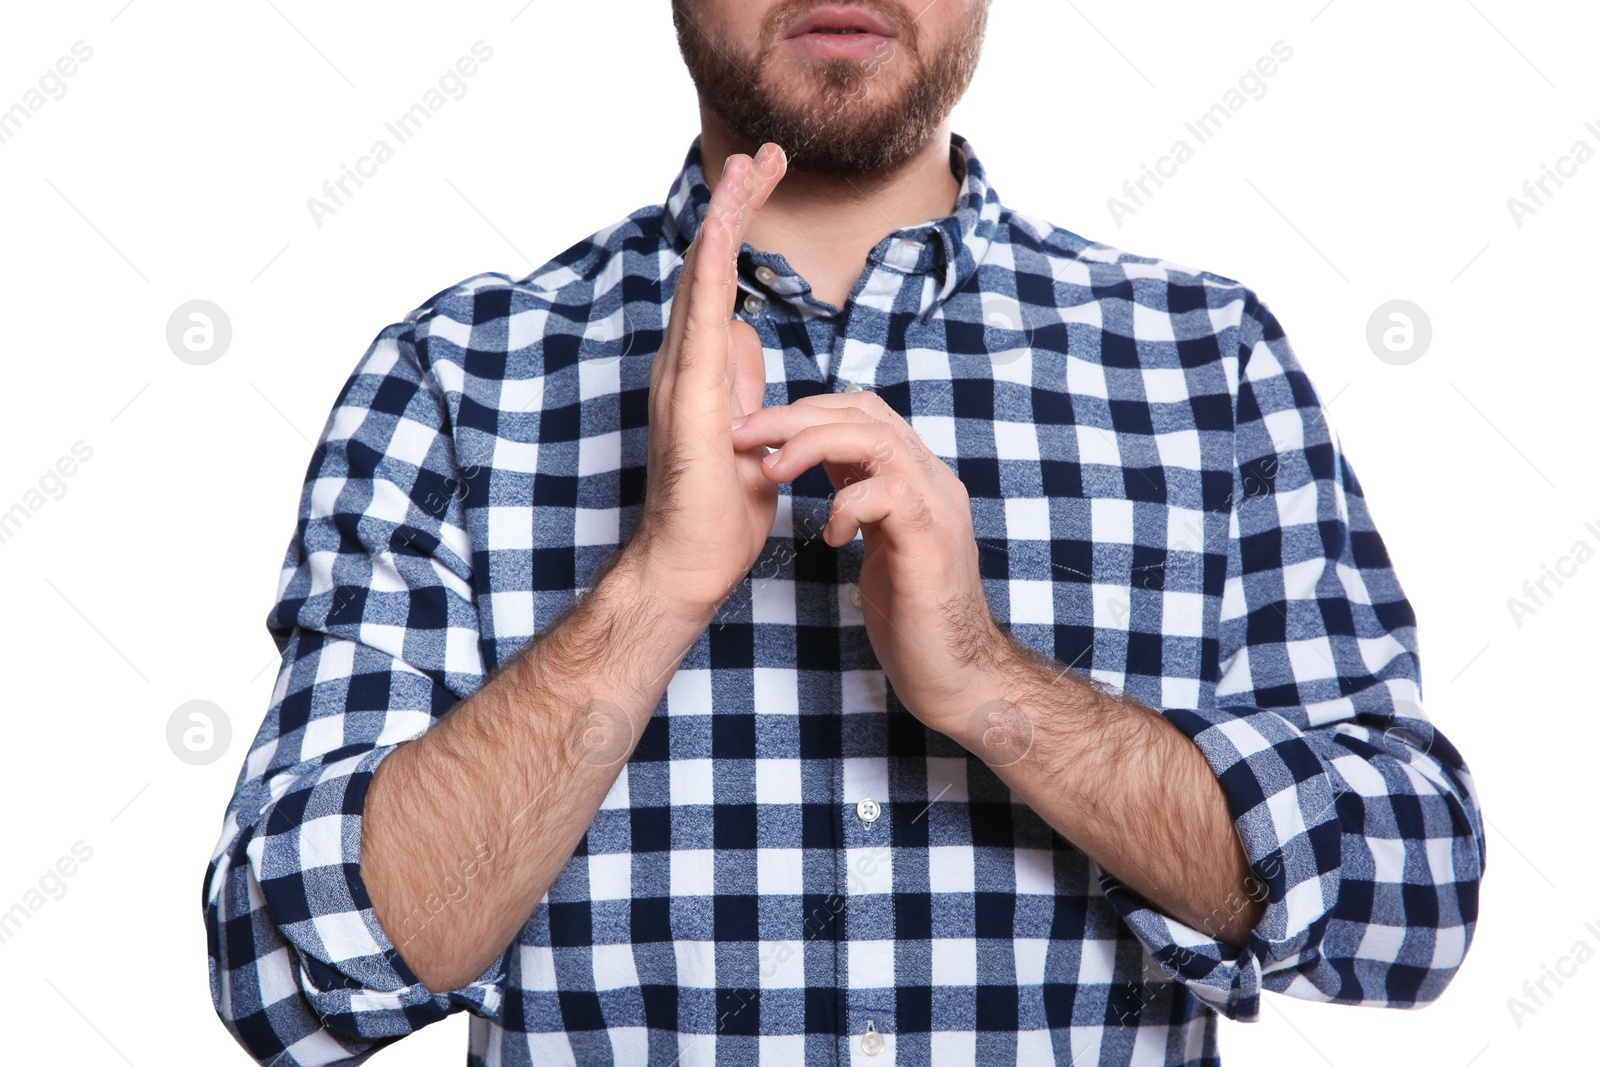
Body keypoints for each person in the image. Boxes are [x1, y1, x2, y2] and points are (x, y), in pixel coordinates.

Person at [203, 2, 1486, 1064]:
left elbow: (1412, 899)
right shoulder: (456, 379)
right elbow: (285, 965)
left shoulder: (1202, 360)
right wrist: (657, 585)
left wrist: (992, 687)